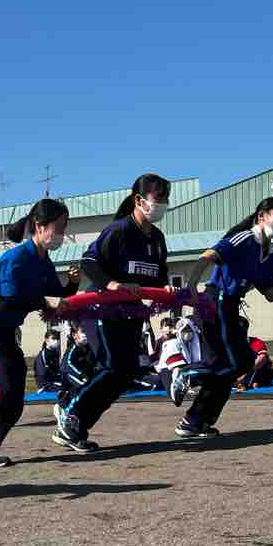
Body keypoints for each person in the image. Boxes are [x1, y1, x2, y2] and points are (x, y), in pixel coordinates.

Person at [54, 173, 173, 453]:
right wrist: (112, 283)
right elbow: (89, 261)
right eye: (159, 198)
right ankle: (69, 413)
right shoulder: (119, 231)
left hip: (132, 314)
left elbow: (158, 277)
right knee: (113, 367)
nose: (163, 204)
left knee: (126, 372)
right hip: (102, 310)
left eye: (166, 199)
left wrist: (167, 289)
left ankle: (76, 425)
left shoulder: (157, 238)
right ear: (139, 200)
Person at [180, 197, 273, 435]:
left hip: (231, 305)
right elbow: (206, 257)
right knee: (232, 362)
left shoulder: (268, 253)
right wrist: (191, 287)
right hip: (216, 300)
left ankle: (195, 421)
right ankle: (183, 373)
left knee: (240, 364)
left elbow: (272, 294)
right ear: (261, 216)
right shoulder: (245, 238)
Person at [0, 198, 76, 467]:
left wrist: (72, 284)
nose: (61, 234)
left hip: (9, 332)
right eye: (58, 227)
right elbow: (9, 299)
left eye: (64, 227)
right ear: (39, 226)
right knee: (0, 392)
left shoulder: (43, 260)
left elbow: (56, 293)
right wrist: (44, 302)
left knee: (14, 402)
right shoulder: (15, 259)